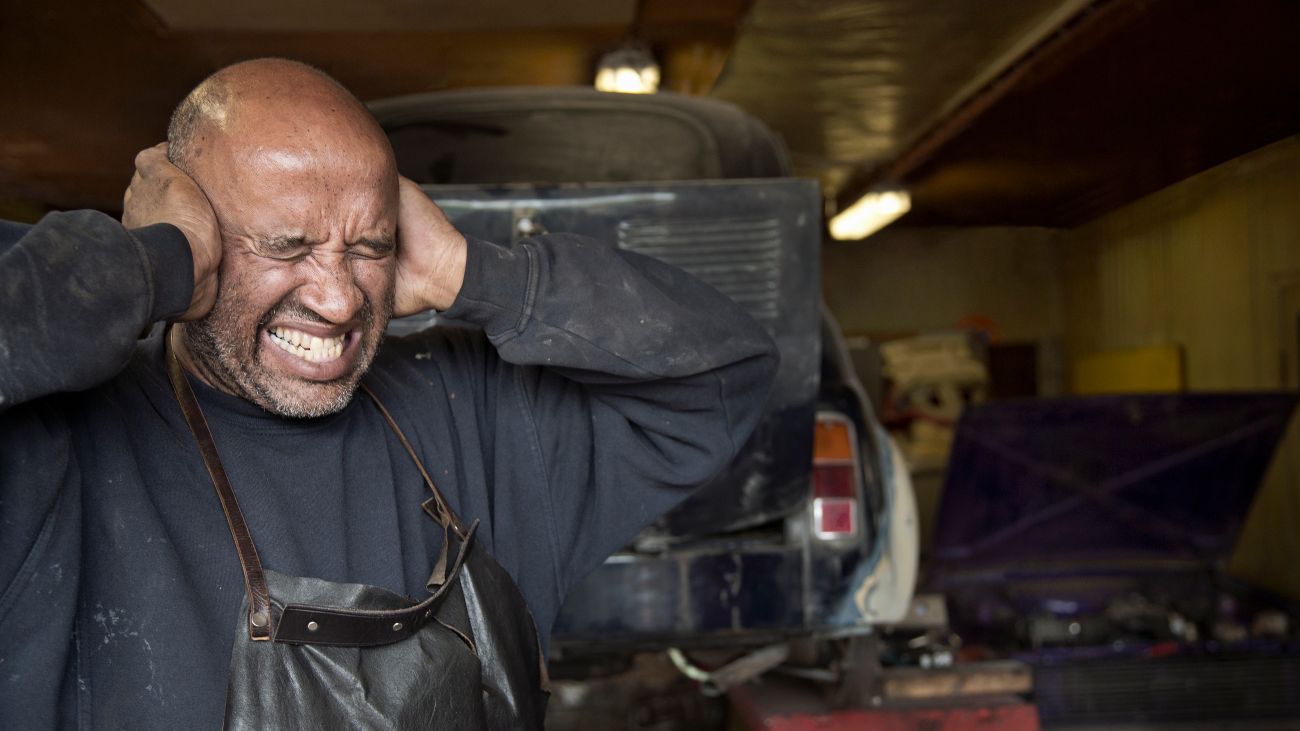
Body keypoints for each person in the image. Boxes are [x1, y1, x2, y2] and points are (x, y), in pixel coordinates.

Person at [0, 59, 778, 728]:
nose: (339, 298)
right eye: (287, 246)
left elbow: (726, 373)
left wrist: (470, 274)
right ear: (196, 231)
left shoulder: (473, 413)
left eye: (369, 246)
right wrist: (148, 264)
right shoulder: (62, 446)